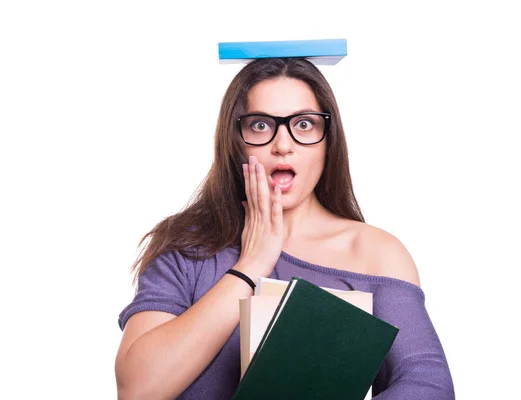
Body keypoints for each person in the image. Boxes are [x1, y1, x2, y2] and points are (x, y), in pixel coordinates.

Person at [115, 57, 455, 399]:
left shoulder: (373, 254)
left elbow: (428, 384)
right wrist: (250, 267)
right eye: (261, 126)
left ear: (328, 139)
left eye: (304, 124)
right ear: (234, 140)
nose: (283, 145)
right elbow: (138, 390)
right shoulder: (186, 248)